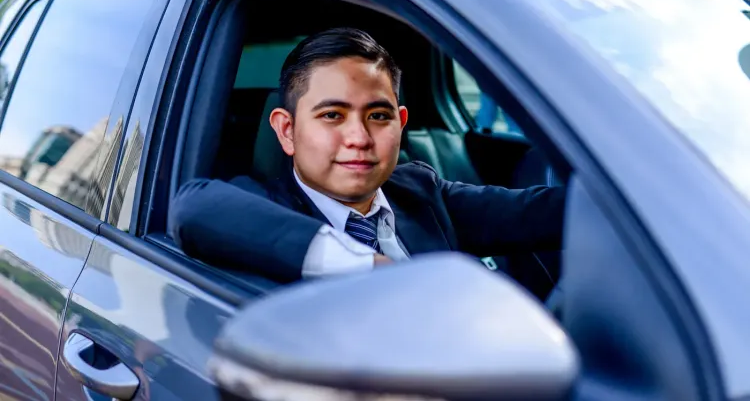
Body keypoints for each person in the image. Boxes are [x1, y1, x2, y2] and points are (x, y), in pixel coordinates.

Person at [169, 28, 565, 283]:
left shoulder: (421, 190)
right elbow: (192, 208)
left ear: (401, 122)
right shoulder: (261, 204)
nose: (359, 137)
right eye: (332, 116)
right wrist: (372, 269)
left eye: (378, 116)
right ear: (287, 131)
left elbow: (545, 211)